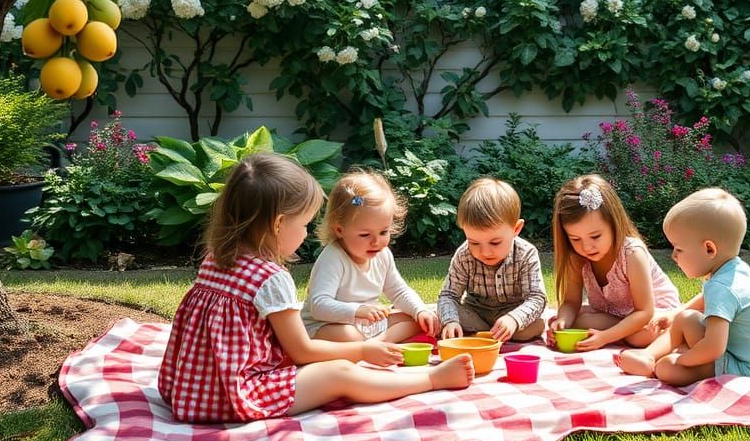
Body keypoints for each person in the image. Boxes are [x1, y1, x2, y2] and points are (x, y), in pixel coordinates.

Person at [157, 153, 473, 423]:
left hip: (189, 392)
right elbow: (302, 351)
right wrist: (362, 350)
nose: (307, 232)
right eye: (305, 224)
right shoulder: (271, 278)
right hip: (236, 396)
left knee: (364, 345)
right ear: (279, 224)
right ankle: (432, 379)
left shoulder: (216, 259)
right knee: (338, 374)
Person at [616, 188, 750, 386]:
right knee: (684, 317)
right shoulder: (734, 270)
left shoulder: (722, 287)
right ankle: (647, 355)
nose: (673, 256)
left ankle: (654, 363)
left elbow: (714, 348)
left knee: (666, 367)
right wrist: (673, 314)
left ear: (709, 249)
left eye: (679, 249)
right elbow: (706, 299)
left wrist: (683, 360)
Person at [302, 170, 441, 343]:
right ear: (339, 230)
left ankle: (376, 343)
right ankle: (376, 344)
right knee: (348, 336)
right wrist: (357, 310)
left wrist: (419, 310)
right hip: (326, 325)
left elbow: (398, 291)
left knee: (426, 317)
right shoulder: (333, 258)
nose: (376, 242)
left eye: (384, 232)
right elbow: (319, 306)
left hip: (368, 323)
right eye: (365, 235)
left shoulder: (382, 255)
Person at [547, 173, 681, 352]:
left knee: (638, 337)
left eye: (595, 236)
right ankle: (621, 329)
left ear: (614, 224)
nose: (587, 247)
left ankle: (625, 331)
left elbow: (644, 312)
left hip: (654, 314)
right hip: (615, 314)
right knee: (574, 320)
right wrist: (562, 323)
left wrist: (604, 337)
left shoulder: (632, 253)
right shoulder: (576, 258)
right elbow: (571, 302)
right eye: (575, 239)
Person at [437, 177, 547, 342]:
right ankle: (482, 332)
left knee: (534, 326)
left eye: (495, 242)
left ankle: (489, 333)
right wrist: (450, 321)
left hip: (512, 313)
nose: (485, 252)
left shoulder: (526, 254)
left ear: (516, 229)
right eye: (474, 242)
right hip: (475, 313)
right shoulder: (464, 254)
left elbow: (537, 297)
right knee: (444, 317)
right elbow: (449, 294)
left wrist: (513, 319)